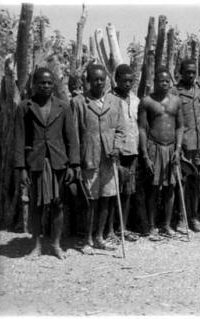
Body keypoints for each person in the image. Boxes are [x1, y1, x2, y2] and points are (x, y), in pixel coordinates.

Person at [15, 67, 80, 259]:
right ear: (34, 85)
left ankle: (55, 244)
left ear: (54, 85)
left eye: (49, 82)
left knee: (58, 203)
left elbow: (71, 137)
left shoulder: (63, 106)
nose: (45, 86)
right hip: (35, 162)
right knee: (36, 204)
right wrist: (21, 169)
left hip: (58, 162)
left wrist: (73, 164)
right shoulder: (25, 107)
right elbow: (19, 139)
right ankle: (36, 246)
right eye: (41, 82)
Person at [72, 64, 126, 254]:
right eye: (94, 79)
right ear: (88, 80)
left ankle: (99, 237)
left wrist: (117, 148)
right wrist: (76, 161)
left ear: (106, 80)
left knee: (106, 198)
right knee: (91, 200)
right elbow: (75, 134)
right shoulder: (79, 102)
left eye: (101, 79)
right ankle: (87, 239)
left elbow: (121, 129)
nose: (98, 82)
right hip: (89, 157)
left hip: (109, 160)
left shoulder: (115, 101)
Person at [104, 64, 148, 242]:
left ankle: (122, 228)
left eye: (131, 81)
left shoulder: (136, 100)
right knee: (112, 192)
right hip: (116, 152)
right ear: (116, 80)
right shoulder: (108, 99)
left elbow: (140, 126)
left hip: (133, 151)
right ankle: (109, 230)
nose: (128, 84)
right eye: (124, 81)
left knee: (128, 191)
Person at [138, 67, 184, 238]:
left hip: (172, 148)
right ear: (155, 82)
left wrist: (178, 149)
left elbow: (180, 127)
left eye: (167, 81)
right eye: (160, 81)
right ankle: (151, 226)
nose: (164, 83)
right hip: (154, 147)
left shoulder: (176, 101)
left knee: (171, 188)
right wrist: (145, 154)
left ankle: (166, 225)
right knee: (153, 188)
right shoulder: (147, 102)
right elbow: (142, 128)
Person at [171, 59, 200, 233]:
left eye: (194, 72)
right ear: (180, 72)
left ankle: (193, 218)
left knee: (195, 183)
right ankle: (180, 219)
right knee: (181, 183)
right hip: (183, 145)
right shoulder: (174, 92)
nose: (191, 75)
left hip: (198, 146)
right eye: (188, 72)